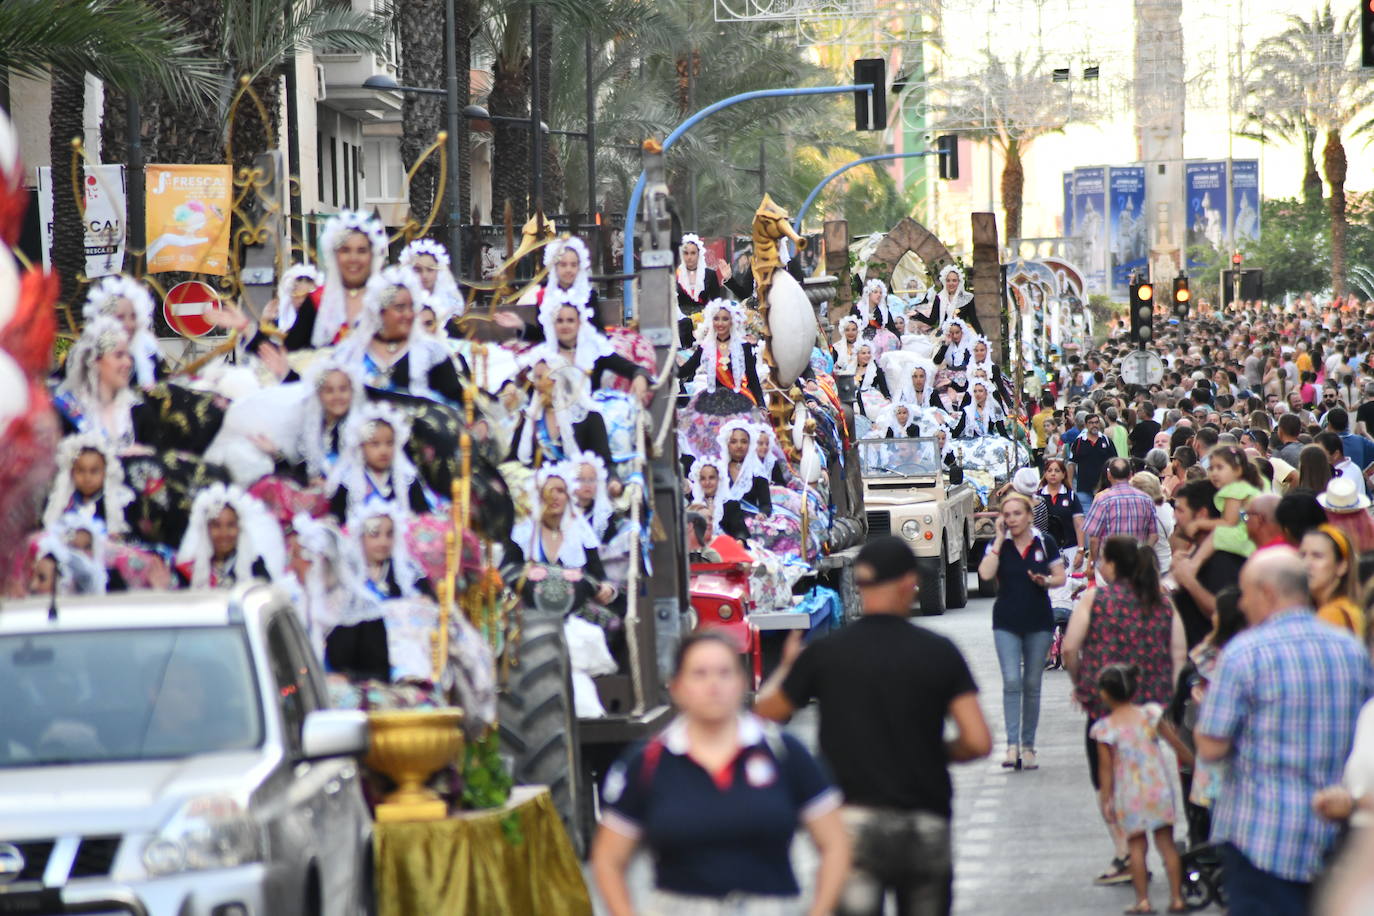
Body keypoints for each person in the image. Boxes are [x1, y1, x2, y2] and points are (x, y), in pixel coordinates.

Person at [755, 536, 992, 916]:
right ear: (908, 583)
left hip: (851, 824)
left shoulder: (826, 654)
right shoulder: (938, 651)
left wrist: (786, 664)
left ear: (860, 584)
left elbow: (766, 712)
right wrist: (934, 750)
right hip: (924, 821)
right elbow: (978, 741)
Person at [591, 632, 850, 916]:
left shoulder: (784, 753)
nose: (713, 684)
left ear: (742, 683)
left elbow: (835, 842)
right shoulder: (649, 762)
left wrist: (820, 910)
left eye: (725, 673)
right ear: (676, 687)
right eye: (699, 674)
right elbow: (608, 859)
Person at [1195, 548, 1373, 914]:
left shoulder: (1244, 654)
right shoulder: (1350, 650)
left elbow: (1211, 747)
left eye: (1245, 594)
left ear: (1267, 593)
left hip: (1261, 833)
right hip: (1335, 831)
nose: (1242, 605)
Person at [1063, 536, 1186, 887]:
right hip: (1151, 707)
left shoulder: (1096, 598)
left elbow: (1071, 648)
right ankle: (1151, 850)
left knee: (1107, 780)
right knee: (1145, 773)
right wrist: (1167, 695)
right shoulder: (1160, 600)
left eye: (1102, 560)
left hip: (1105, 706)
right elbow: (1178, 652)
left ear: (1113, 564)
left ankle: (1124, 851)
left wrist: (1082, 683)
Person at [976, 493, 1065, 771]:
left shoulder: (1044, 542)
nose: (1012, 519)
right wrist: (1000, 540)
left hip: (1038, 620)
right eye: (1007, 514)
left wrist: (1046, 581)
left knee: (1032, 684)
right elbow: (985, 574)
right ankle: (1011, 744)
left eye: (1017, 514)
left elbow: (1060, 575)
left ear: (1028, 515)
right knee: (1012, 681)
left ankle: (1028, 746)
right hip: (1006, 621)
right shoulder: (998, 545)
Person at [1091, 663, 1189, 915]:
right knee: (1166, 844)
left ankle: (1143, 901)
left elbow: (1106, 770)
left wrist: (1106, 799)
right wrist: (1197, 764)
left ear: (1104, 694)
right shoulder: (1150, 714)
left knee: (1136, 847)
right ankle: (1177, 898)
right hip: (1159, 789)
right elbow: (1176, 743)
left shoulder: (1105, 728)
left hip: (1130, 794)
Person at [1082, 458, 1157, 581]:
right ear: (1131, 475)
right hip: (1136, 565)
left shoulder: (1103, 500)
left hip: (1109, 567)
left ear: (1109, 475)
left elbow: (1094, 539)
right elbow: (1154, 535)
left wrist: (1093, 563)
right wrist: (1142, 555)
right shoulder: (1146, 499)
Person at [1300, 524, 1365, 638]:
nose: (1306, 564)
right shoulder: (1349, 607)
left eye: (1317, 556)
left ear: (1342, 566)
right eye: (1302, 555)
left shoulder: (1332, 615)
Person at [1067, 414, 1115, 514]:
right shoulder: (1079, 442)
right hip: (1084, 486)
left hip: (1104, 486)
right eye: (1091, 423)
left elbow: (1114, 462)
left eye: (1096, 422)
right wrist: (1070, 484)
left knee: (1104, 514)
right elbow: (1071, 463)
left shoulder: (1106, 441)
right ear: (1086, 425)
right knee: (1087, 515)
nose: (1094, 425)